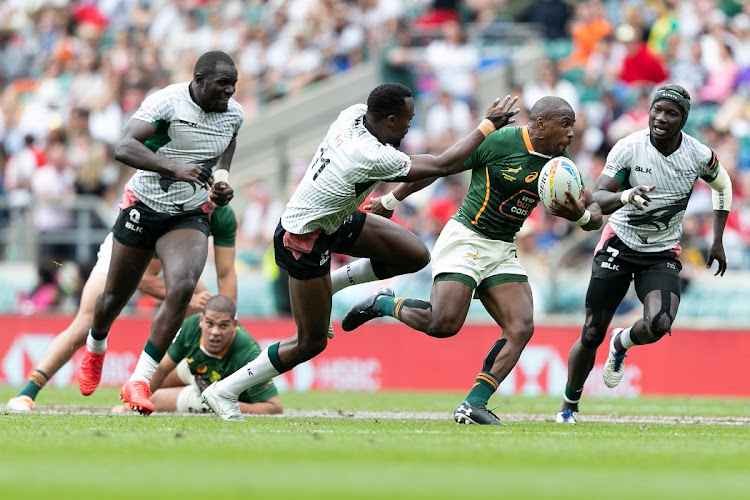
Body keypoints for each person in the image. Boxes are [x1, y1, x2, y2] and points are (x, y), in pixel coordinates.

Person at [200, 82, 519, 420]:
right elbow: (441, 166)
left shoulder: (353, 115)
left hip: (334, 218)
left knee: (414, 255)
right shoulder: (369, 155)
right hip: (304, 239)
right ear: (391, 120)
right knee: (311, 343)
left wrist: (390, 199)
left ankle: (333, 284)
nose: (411, 125)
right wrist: (487, 127)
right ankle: (225, 390)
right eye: (408, 119)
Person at [342, 96, 603, 425]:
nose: (571, 132)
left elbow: (594, 211)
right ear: (540, 125)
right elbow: (443, 166)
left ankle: (473, 404)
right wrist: (393, 198)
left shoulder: (560, 162)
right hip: (467, 237)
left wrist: (581, 217)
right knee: (444, 324)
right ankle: (384, 304)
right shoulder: (501, 142)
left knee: (521, 326)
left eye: (572, 125)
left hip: (502, 248)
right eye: (565, 124)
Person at [76, 50, 242, 415]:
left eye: (233, 85)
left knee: (182, 286)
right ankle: (96, 346)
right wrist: (175, 168)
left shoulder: (234, 114)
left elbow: (228, 143)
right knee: (114, 297)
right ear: (198, 80)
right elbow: (124, 146)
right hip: (144, 205)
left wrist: (222, 182)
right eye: (221, 85)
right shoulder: (167, 101)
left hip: (188, 214)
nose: (228, 92)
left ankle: (139, 379)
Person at [556, 84, 730, 424]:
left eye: (671, 113)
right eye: (657, 110)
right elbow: (597, 198)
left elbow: (723, 185)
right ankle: (568, 406)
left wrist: (718, 239)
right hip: (619, 242)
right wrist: (625, 196)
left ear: (684, 120)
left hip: (662, 249)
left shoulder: (698, 155)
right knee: (592, 332)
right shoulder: (629, 148)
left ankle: (621, 343)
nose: (661, 118)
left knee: (660, 323)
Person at [6, 203, 238, 412]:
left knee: (207, 311)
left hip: (169, 259)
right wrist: (185, 298)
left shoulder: (222, 214)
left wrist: (231, 323)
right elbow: (141, 277)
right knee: (86, 323)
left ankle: (205, 379)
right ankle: (28, 391)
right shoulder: (172, 205)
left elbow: (226, 274)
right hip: (127, 245)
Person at [112, 295, 282, 415]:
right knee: (151, 386)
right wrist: (132, 406)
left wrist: (227, 405)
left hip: (212, 395)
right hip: (194, 369)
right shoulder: (191, 327)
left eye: (223, 326)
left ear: (234, 326)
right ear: (201, 320)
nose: (215, 332)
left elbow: (274, 407)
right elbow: (162, 368)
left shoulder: (248, 353)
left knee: (154, 401)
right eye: (209, 324)